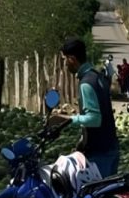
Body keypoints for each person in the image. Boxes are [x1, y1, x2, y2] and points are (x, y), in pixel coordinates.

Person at [50, 37, 120, 177]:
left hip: (100, 154)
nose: (64, 64)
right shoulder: (97, 76)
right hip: (110, 147)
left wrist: (67, 119)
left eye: (64, 59)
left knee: (95, 196)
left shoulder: (86, 83)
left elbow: (95, 119)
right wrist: (83, 141)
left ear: (72, 59)